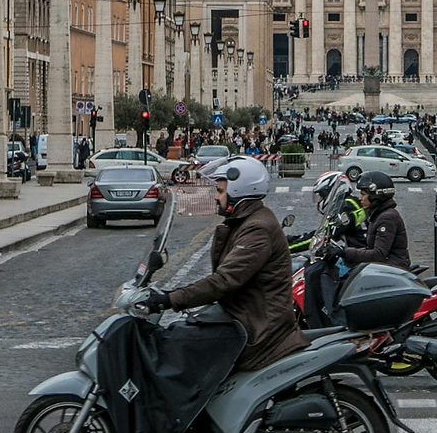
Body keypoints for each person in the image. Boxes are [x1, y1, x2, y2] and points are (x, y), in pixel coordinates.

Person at [146, 157, 307, 371]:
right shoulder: (246, 221)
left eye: (221, 191)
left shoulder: (256, 229)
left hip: (259, 329)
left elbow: (225, 280)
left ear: (239, 191)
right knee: (185, 333)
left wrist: (171, 299)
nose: (216, 196)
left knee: (181, 348)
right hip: (245, 315)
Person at [332, 171, 410, 269]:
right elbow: (370, 249)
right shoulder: (376, 215)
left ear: (376, 195)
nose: (360, 198)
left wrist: (344, 252)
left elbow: (378, 254)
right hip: (383, 267)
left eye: (363, 194)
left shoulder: (387, 218)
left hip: (393, 268)